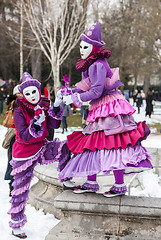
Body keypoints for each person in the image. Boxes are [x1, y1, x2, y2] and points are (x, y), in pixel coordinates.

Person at [60, 22, 153, 196]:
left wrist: (76, 97)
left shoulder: (98, 64)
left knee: (113, 143)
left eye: (85, 46)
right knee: (94, 143)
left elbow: (96, 91)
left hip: (109, 107)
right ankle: (91, 181)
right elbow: (87, 86)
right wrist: (69, 92)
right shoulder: (89, 64)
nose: (82, 49)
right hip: (100, 107)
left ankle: (119, 184)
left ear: (94, 48)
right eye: (80, 46)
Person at [8, 72, 70, 239]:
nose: (32, 96)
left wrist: (56, 107)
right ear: (24, 95)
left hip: (41, 147)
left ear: (38, 90)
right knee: (20, 191)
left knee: (65, 148)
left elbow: (53, 124)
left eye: (34, 92)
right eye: (27, 94)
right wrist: (34, 124)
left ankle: (66, 179)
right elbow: (23, 135)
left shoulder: (43, 105)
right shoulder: (19, 110)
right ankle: (16, 224)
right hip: (24, 154)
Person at [2, 85, 22, 197]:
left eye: (21, 93)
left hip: (18, 133)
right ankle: (12, 184)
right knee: (13, 158)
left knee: (14, 158)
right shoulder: (16, 103)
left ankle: (14, 183)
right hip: (14, 134)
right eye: (18, 93)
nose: (20, 95)